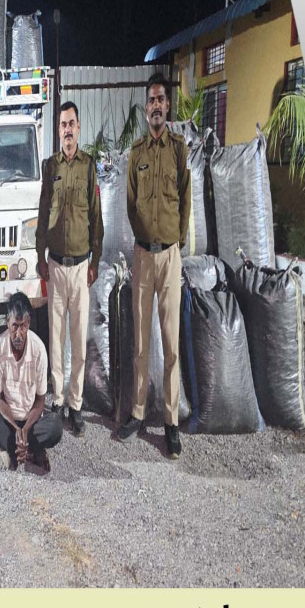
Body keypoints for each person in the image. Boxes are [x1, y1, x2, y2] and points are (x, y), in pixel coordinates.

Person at [119, 72, 191, 458]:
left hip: (170, 257)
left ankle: (171, 423)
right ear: (145, 107)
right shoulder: (137, 152)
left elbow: (186, 196)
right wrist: (144, 239)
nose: (157, 106)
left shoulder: (178, 149)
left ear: (168, 105)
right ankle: (137, 413)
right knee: (141, 342)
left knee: (171, 343)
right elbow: (131, 204)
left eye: (162, 99)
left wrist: (175, 240)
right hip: (143, 257)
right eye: (151, 100)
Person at [36, 101, 103, 437]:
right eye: (62, 124)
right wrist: (39, 255)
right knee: (55, 339)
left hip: (79, 268)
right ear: (59, 129)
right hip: (55, 266)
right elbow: (42, 211)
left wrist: (96, 260)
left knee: (78, 340)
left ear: (79, 127)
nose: (67, 130)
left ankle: (76, 404)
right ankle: (58, 399)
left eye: (71, 124)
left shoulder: (88, 167)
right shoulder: (50, 166)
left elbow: (96, 217)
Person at [0, 292, 63, 471]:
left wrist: (25, 430)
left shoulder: (39, 349)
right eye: (14, 326)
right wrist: (16, 428)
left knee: (55, 426)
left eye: (23, 326)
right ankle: (28, 449)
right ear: (7, 322)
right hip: (9, 421)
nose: (18, 334)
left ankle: (14, 449)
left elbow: (40, 401)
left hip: (32, 422)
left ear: (29, 323)